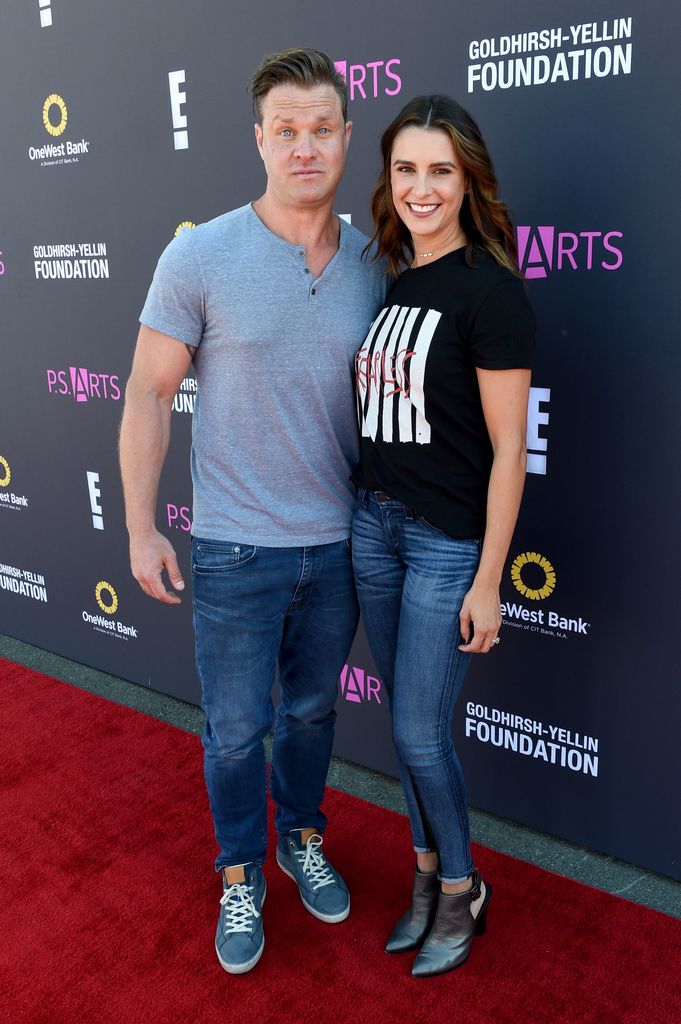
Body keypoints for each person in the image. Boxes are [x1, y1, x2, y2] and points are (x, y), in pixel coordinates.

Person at [119, 48, 385, 975]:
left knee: (312, 715)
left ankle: (299, 834)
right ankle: (241, 871)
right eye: (286, 130)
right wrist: (142, 526)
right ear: (259, 139)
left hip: (339, 546)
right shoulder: (200, 253)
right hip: (234, 550)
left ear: (347, 138)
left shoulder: (370, 262)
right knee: (235, 728)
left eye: (322, 129)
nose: (304, 147)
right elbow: (150, 393)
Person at [351, 95, 534, 978]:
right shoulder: (393, 279)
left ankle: (462, 888)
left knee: (422, 733)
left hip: (441, 545)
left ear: (468, 181)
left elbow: (509, 453)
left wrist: (488, 579)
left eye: (440, 171)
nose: (421, 188)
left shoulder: (489, 291)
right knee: (403, 723)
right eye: (405, 170)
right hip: (372, 529)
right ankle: (423, 877)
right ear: (388, 180)